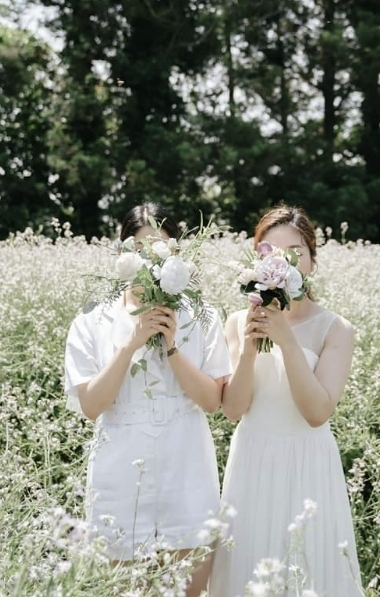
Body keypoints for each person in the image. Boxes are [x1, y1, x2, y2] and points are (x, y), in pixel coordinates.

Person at [64, 203, 231, 597]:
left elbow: (212, 401)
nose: (149, 260)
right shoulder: (92, 319)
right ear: (123, 253)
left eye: (161, 249)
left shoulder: (200, 314)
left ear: (177, 255)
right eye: (140, 249)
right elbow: (91, 406)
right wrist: (132, 342)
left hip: (186, 463)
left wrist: (172, 347)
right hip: (120, 469)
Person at [209, 205, 363, 597]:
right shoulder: (234, 322)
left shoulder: (335, 328)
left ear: (311, 260)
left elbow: (316, 412)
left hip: (308, 462)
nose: (282, 262)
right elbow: (232, 409)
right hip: (253, 459)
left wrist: (286, 341)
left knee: (309, 571)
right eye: (270, 253)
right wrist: (248, 346)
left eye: (294, 252)